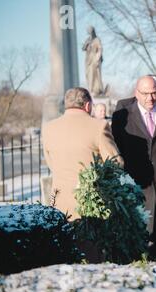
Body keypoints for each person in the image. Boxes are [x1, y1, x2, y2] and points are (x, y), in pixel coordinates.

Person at [42, 88, 123, 262]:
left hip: (59, 203)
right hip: (91, 206)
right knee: (94, 260)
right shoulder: (99, 126)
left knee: (65, 259)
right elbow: (115, 163)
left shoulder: (49, 128)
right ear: (88, 105)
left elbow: (51, 163)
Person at [112, 76, 156, 263]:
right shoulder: (122, 116)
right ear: (136, 93)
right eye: (145, 93)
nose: (150, 98)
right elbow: (117, 149)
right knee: (138, 243)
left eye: (154, 92)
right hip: (137, 186)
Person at [82, 26, 105, 96]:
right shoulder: (88, 39)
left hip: (94, 60)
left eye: (90, 31)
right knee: (88, 75)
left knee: (95, 75)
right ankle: (90, 90)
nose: (89, 33)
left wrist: (97, 58)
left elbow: (100, 49)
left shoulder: (97, 39)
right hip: (88, 60)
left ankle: (96, 90)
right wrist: (87, 43)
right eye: (88, 31)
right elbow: (83, 48)